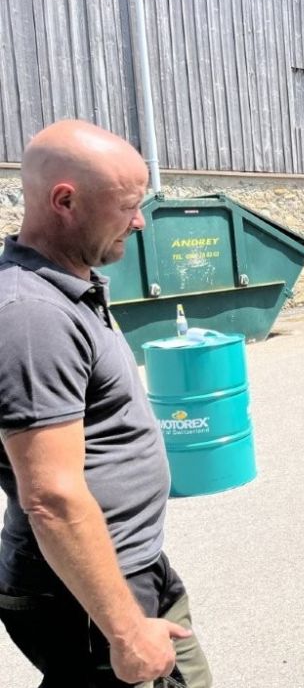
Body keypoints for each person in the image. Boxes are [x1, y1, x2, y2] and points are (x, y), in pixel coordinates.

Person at [0, 120, 211, 686]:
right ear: (65, 202)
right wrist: (125, 632)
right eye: (127, 206)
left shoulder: (70, 286)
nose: (140, 221)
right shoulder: (32, 316)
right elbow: (51, 498)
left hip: (128, 566)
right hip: (82, 595)